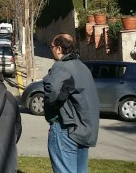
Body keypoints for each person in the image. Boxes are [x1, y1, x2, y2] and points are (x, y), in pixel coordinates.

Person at [43, 33, 99, 173]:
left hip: (66, 129)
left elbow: (52, 91)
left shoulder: (62, 67)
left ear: (59, 49)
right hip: (84, 129)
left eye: (52, 47)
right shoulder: (82, 66)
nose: (52, 50)